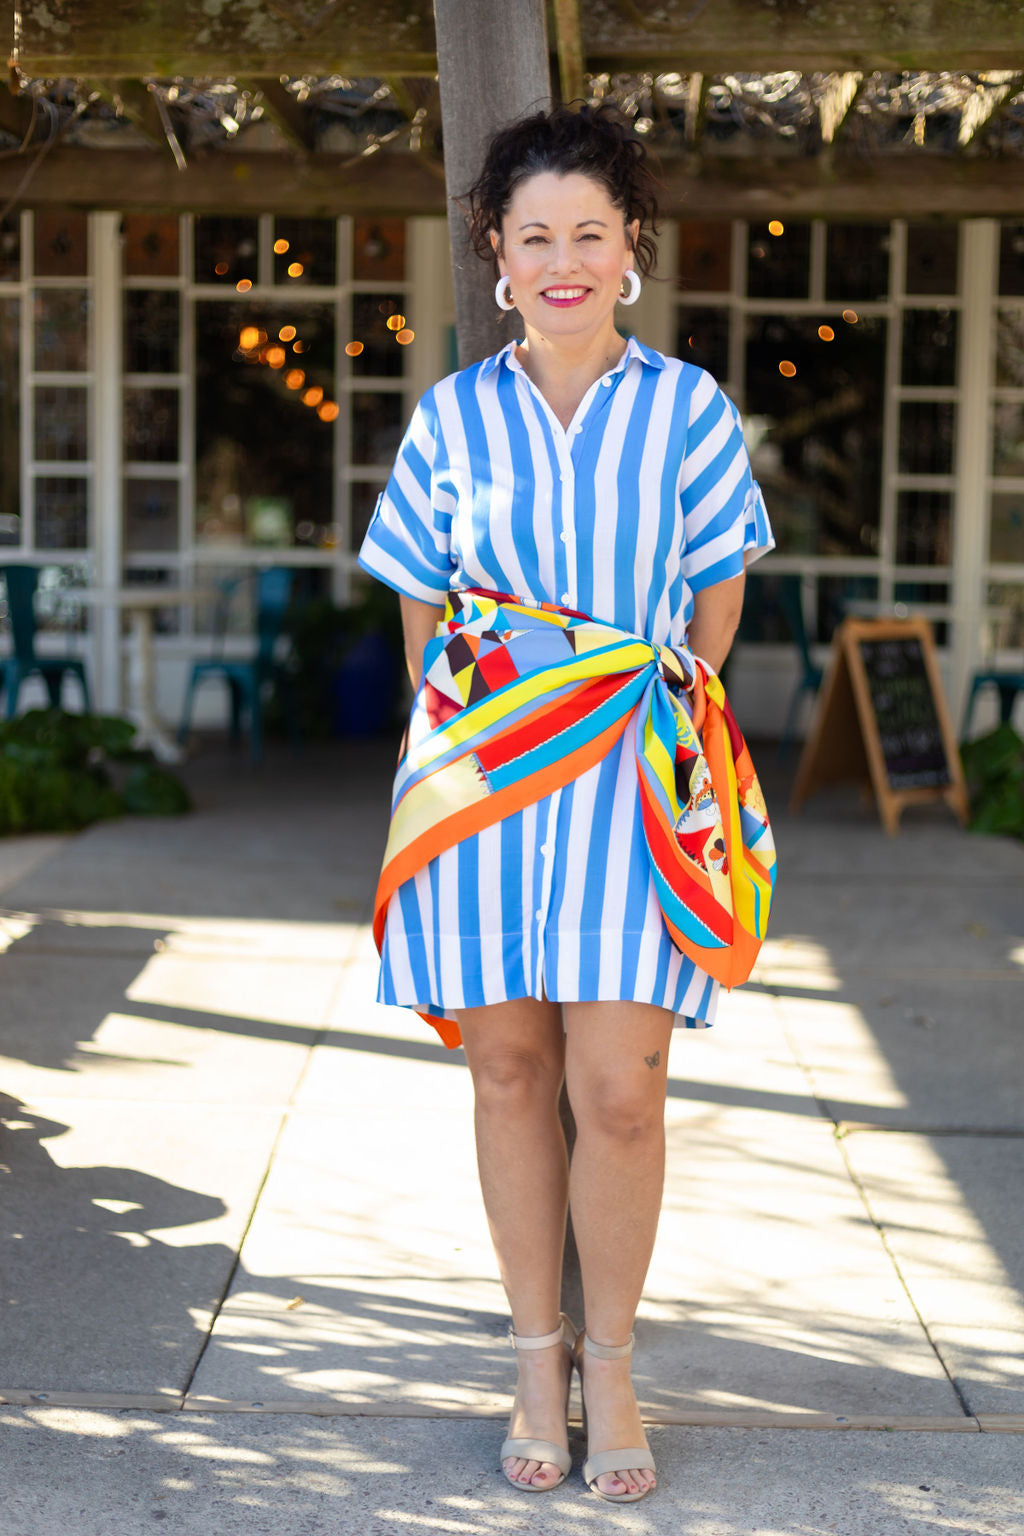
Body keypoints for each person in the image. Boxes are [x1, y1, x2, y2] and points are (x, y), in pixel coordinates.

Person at [358, 104, 775, 1504]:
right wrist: (472, 746)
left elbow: (717, 593)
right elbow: (422, 600)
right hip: (486, 793)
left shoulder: (690, 412)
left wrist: (648, 716)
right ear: (497, 253)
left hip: (634, 802)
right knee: (507, 1073)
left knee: (625, 1092)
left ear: (630, 249)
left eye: (588, 233)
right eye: (535, 234)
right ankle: (534, 1359)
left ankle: (614, 1362)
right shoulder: (455, 417)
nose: (562, 258)